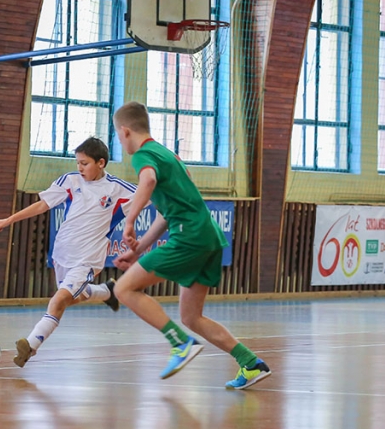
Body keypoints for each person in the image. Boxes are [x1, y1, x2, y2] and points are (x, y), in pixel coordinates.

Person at [110, 101, 271, 389]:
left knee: (123, 289)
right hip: (209, 237)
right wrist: (138, 249)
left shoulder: (144, 155)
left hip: (189, 237)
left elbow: (148, 180)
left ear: (124, 131)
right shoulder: (167, 155)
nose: (121, 143)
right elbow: (165, 214)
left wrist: (130, 220)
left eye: (118, 137)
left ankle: (180, 344)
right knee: (191, 316)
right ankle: (251, 363)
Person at [0, 137, 135, 367]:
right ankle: (107, 292)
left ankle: (31, 345)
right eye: (78, 162)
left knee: (59, 300)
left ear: (101, 163)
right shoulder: (70, 180)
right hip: (62, 253)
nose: (80, 167)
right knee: (72, 297)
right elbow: (42, 204)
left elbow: (150, 194)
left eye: (84, 163)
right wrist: (9, 220)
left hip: (87, 260)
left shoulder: (118, 189)